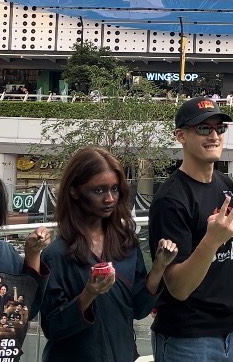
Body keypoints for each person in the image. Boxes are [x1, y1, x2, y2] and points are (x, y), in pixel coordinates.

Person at [40, 147, 179, 361]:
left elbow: (140, 309)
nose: (110, 199)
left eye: (115, 189)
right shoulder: (55, 255)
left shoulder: (126, 243)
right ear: (74, 191)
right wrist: (88, 294)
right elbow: (52, 327)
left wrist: (159, 267)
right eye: (99, 190)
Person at [148, 97, 233, 362]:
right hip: (189, 339)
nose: (214, 136)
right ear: (181, 136)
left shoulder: (225, 184)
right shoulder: (171, 199)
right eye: (203, 128)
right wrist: (211, 241)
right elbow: (178, 287)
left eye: (220, 128)